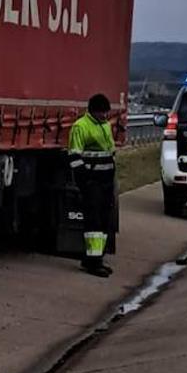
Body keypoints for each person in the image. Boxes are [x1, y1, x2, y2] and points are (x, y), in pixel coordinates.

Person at [68, 93, 117, 277]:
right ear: (93, 111)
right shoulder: (81, 127)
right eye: (102, 112)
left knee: (104, 220)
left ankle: (96, 258)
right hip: (92, 182)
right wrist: (86, 182)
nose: (105, 116)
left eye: (106, 112)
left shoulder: (105, 126)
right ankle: (93, 261)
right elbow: (74, 157)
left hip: (105, 181)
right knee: (94, 221)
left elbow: (109, 152)